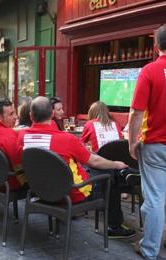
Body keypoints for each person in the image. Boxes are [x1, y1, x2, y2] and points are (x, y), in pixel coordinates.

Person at [18, 97, 136, 238]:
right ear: (51, 115)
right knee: (111, 175)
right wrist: (116, 164)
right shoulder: (66, 139)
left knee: (96, 170)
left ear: (31, 116)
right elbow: (94, 161)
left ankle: (126, 174)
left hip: (40, 192)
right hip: (70, 194)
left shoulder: (21, 137)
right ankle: (114, 226)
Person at [128, 24, 166, 260]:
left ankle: (150, 248)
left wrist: (132, 142)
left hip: (155, 144)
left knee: (154, 197)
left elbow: (136, 113)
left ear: (156, 46)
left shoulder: (150, 71)